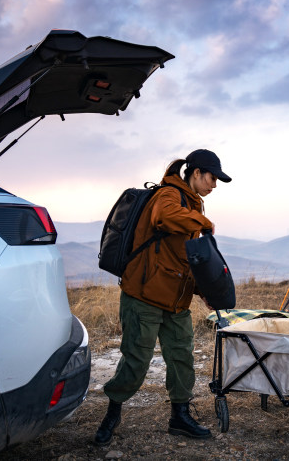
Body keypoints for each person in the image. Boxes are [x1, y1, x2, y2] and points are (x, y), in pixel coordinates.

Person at [94, 149, 231, 445]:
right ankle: (112, 413)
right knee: (136, 361)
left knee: (182, 359)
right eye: (212, 177)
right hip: (144, 296)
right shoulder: (168, 195)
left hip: (175, 300)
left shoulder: (193, 206)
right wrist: (203, 223)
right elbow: (164, 218)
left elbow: (184, 258)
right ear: (196, 173)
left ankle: (179, 417)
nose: (214, 185)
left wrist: (202, 291)